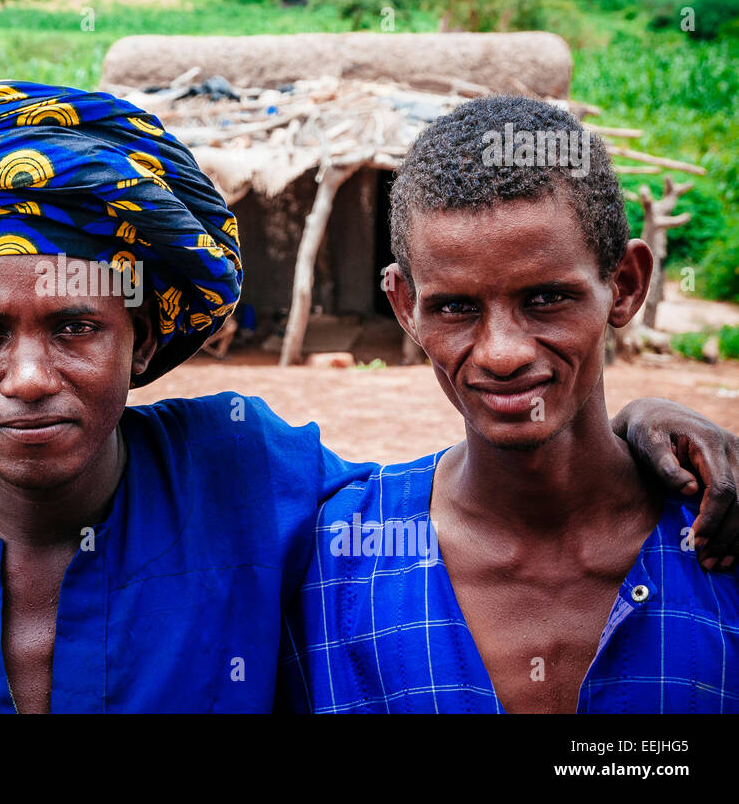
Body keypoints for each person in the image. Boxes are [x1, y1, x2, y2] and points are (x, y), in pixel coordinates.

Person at [0, 81, 739, 714]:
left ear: (142, 334)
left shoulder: (246, 475)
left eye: (76, 325)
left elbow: (494, 485)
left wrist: (642, 423)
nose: (29, 376)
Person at [292, 96, 739, 713]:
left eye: (547, 298)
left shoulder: (720, 539)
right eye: (455, 307)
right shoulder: (333, 559)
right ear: (405, 307)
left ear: (627, 286)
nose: (502, 353)